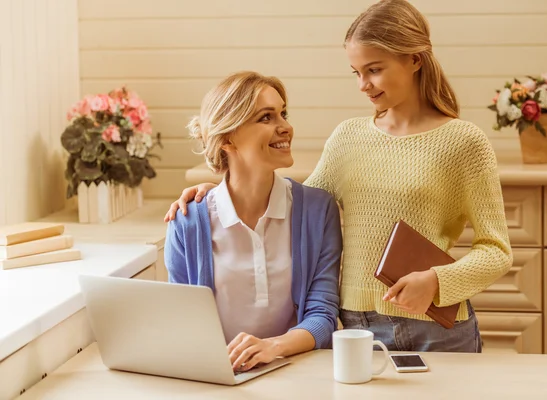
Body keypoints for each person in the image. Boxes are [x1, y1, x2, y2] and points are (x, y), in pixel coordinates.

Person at [164, 0, 512, 353]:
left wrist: (437, 281)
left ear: (414, 60)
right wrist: (219, 191)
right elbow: (294, 205)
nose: (363, 85)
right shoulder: (348, 138)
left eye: (374, 69)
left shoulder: (464, 142)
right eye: (356, 72)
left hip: (436, 329)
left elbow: (497, 250)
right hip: (357, 330)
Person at [164, 71, 342, 372]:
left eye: (283, 114)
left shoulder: (317, 209)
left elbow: (322, 316)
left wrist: (272, 347)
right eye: (266, 117)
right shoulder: (187, 222)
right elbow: (183, 323)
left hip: (298, 372)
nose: (285, 127)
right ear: (227, 138)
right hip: (221, 380)